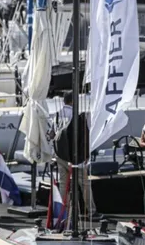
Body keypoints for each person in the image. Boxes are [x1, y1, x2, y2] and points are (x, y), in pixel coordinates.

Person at [50, 92, 100, 220]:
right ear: (73, 101)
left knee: (63, 184)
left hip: (60, 155)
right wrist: (85, 154)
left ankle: (64, 212)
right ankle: (91, 211)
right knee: (84, 183)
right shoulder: (76, 115)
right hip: (74, 156)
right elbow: (82, 136)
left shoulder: (56, 115)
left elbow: (52, 134)